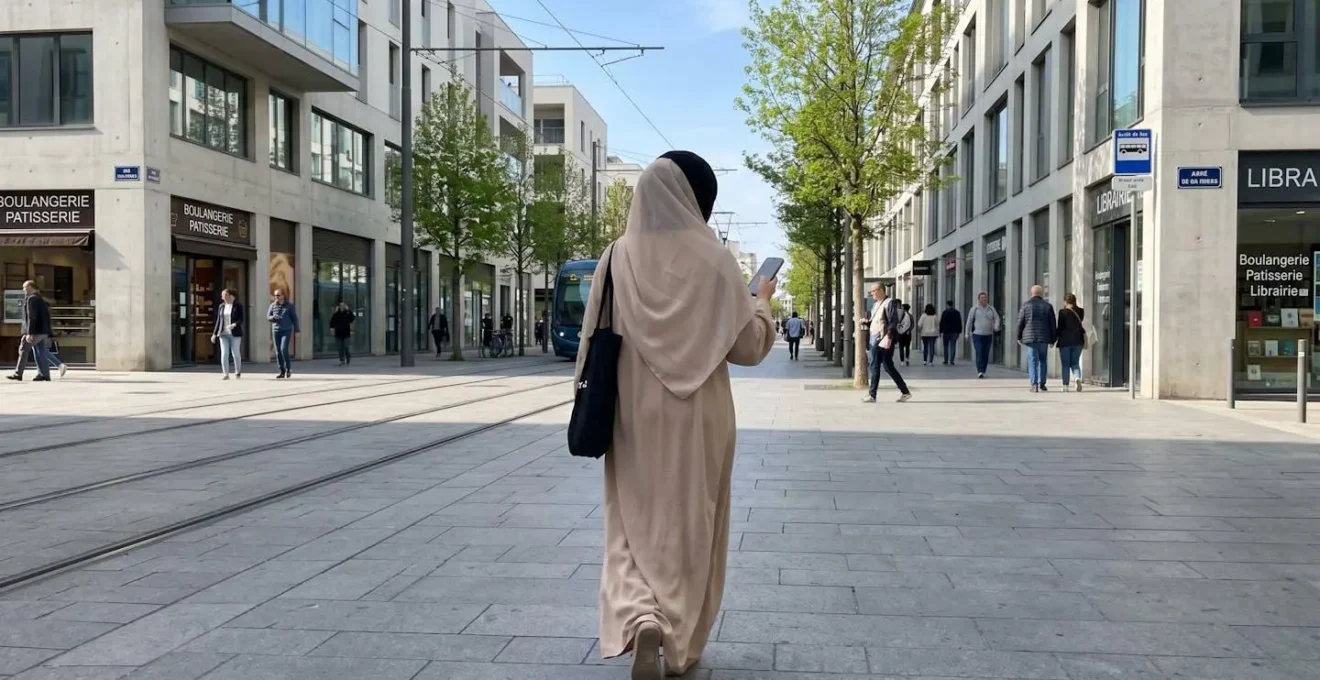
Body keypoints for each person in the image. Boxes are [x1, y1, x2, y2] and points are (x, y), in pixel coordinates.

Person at [582, 152, 775, 679]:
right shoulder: (715, 260)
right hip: (701, 418)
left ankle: (640, 615)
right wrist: (761, 301)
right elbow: (748, 348)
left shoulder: (617, 256)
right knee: (693, 524)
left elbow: (589, 340)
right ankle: (678, 640)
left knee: (629, 521)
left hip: (632, 413)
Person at [861, 282, 912, 403]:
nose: (872, 293)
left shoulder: (889, 303)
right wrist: (866, 322)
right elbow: (877, 321)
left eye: (874, 290)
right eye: (871, 291)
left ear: (882, 290)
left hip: (882, 339)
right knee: (888, 366)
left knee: (875, 365)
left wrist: (888, 337)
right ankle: (905, 391)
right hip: (876, 337)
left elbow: (892, 322)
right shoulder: (876, 305)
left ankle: (872, 394)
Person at [7, 281, 53, 382]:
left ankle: (18, 373)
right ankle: (44, 374)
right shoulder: (41, 299)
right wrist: (49, 332)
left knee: (23, 349)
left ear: (30, 287)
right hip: (43, 331)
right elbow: (46, 316)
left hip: (35, 331)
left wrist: (29, 332)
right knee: (41, 352)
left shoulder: (31, 299)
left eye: (24, 287)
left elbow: (32, 317)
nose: (23, 289)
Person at [1017, 284, 1057, 393]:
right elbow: (1052, 323)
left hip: (1030, 338)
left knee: (1032, 360)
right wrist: (1053, 339)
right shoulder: (1048, 306)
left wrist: (1019, 336)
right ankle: (1042, 383)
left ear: (1031, 293)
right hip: (1044, 337)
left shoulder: (1026, 305)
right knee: (1043, 360)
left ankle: (1034, 384)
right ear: (1042, 294)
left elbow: (1020, 322)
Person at [210, 288, 244, 380]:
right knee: (224, 353)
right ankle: (226, 374)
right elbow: (218, 320)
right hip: (223, 333)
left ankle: (237, 371)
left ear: (230, 295)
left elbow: (241, 319)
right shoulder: (221, 306)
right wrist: (214, 334)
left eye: (224, 295)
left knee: (235, 353)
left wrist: (234, 324)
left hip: (234, 333)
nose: (222, 297)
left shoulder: (238, 305)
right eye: (222, 295)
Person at [1056, 293, 1086, 392]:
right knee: (1075, 363)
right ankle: (1077, 378)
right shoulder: (1081, 311)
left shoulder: (1062, 312)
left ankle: (1065, 385)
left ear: (1065, 301)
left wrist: (1054, 338)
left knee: (1065, 364)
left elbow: (1060, 328)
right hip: (1078, 340)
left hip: (1065, 341)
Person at [267, 289, 300, 379]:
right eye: (275, 295)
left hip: (286, 330)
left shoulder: (289, 306)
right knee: (278, 352)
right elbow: (268, 317)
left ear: (283, 296)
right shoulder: (273, 305)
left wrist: (297, 331)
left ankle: (288, 368)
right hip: (276, 330)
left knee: (283, 349)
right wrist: (273, 317)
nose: (276, 297)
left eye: (278, 295)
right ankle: (281, 370)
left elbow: (294, 319)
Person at [966, 292, 1000, 378]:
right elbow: (969, 321)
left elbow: (997, 318)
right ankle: (980, 371)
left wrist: (996, 326)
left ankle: (983, 370)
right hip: (977, 334)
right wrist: (967, 333)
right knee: (979, 352)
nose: (984, 299)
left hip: (988, 335)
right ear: (979, 299)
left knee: (985, 353)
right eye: (982, 298)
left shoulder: (991, 308)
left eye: (985, 298)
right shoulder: (974, 309)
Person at [329, 302, 355, 366]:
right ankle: (342, 360)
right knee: (340, 348)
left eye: (343, 306)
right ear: (339, 307)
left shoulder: (347, 313)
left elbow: (352, 318)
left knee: (346, 347)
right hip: (338, 333)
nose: (342, 307)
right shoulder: (336, 314)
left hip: (346, 333)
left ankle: (348, 358)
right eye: (340, 306)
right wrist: (331, 328)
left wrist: (349, 310)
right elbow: (332, 321)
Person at [939, 300, 962, 366]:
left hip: (946, 332)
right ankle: (952, 360)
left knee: (945, 346)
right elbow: (959, 322)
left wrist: (940, 331)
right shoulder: (957, 312)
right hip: (954, 332)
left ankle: (946, 360)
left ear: (947, 305)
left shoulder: (945, 312)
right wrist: (959, 331)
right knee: (953, 345)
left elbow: (942, 322)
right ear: (952, 304)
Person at [896, 301, 914, 367]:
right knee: (907, 347)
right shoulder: (910, 315)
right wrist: (909, 330)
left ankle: (902, 361)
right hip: (908, 333)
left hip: (901, 333)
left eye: (902, 307)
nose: (901, 308)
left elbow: (898, 324)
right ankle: (907, 358)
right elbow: (912, 325)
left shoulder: (900, 315)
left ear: (904, 308)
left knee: (901, 347)